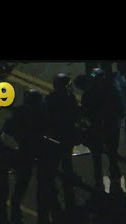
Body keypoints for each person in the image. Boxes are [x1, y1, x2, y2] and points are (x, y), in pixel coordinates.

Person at [5, 89, 45, 224]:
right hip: (34, 149)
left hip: (24, 149)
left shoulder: (21, 111)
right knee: (38, 180)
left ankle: (16, 204)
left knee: (23, 179)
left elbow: (8, 128)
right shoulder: (39, 113)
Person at [44, 73, 81, 209]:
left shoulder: (50, 98)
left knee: (55, 159)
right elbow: (77, 114)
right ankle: (67, 177)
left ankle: (52, 184)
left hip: (55, 134)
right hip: (66, 134)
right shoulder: (69, 98)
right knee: (66, 158)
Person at [81, 68, 124, 187]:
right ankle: (112, 170)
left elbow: (85, 112)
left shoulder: (88, 93)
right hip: (109, 126)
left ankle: (99, 178)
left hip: (97, 127)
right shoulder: (111, 90)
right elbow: (119, 107)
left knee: (98, 154)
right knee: (111, 150)